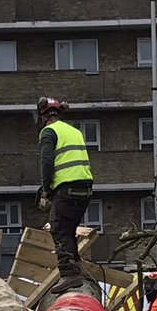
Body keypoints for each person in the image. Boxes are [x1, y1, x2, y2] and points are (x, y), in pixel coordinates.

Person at [34, 96, 94, 295]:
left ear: (43, 116)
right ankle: (75, 266)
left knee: (59, 228)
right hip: (84, 189)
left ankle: (69, 274)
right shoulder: (74, 131)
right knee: (69, 229)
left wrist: (46, 189)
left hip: (66, 188)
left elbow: (47, 161)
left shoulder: (49, 132)